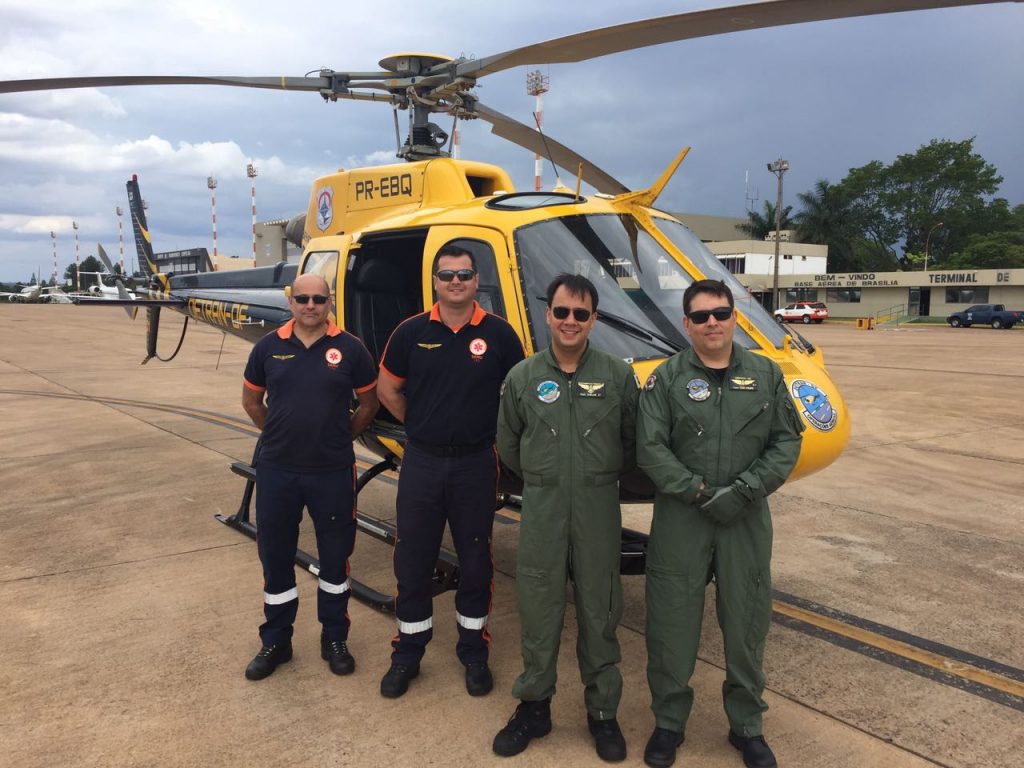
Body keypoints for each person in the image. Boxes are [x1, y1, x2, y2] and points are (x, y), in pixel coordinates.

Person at [636, 279, 804, 768]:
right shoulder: (667, 378)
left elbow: (786, 442)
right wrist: (696, 491)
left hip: (745, 520)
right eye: (701, 316)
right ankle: (669, 723)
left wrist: (745, 490)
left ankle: (747, 725)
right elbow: (650, 447)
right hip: (681, 517)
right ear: (686, 324)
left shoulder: (767, 375)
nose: (712, 322)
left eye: (721, 313)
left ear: (734, 318)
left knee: (747, 622)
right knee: (671, 624)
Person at [493, 273, 639, 763]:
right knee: (538, 608)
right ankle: (534, 707)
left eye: (581, 313)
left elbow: (631, 442)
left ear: (593, 319)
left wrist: (595, 475)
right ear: (548, 315)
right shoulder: (523, 377)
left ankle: (603, 713)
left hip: (598, 507)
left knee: (601, 610)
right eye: (561, 312)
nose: (570, 321)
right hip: (543, 506)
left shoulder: (617, 376)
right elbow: (509, 444)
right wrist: (546, 476)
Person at [376, 244, 525, 699]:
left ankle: (474, 651)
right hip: (422, 460)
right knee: (413, 558)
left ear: (476, 280)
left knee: (476, 559)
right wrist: (421, 425)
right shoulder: (411, 331)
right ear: (435, 282)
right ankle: (408, 652)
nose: (455, 282)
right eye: (447, 275)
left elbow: (518, 394)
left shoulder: (500, 334)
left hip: (476, 462)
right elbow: (387, 389)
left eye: (464, 274)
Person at [240, 273, 379, 681]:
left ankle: (334, 637)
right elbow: (252, 401)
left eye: (319, 299)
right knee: (275, 557)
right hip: (278, 470)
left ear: (329, 302)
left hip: (332, 471)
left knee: (335, 559)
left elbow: (368, 404)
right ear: (291, 302)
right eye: (303, 299)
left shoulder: (351, 349)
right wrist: (278, 434)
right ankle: (276, 640)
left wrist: (339, 437)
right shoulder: (267, 347)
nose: (311, 306)